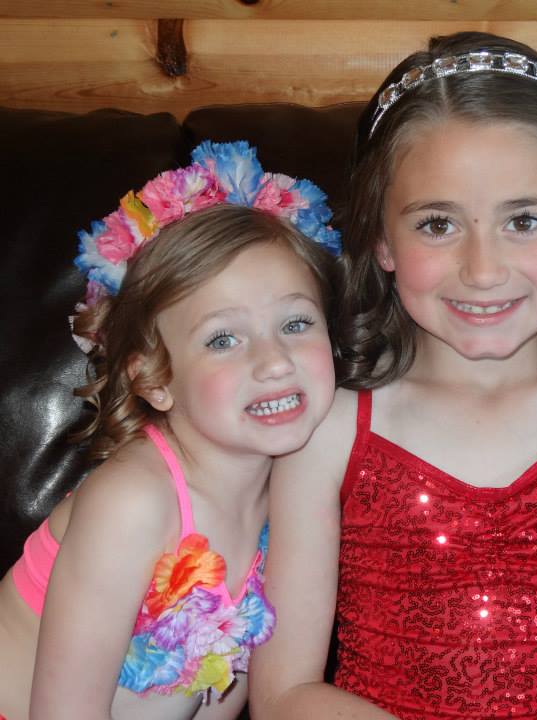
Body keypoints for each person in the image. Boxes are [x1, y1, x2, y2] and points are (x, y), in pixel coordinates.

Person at [250, 31, 537, 720]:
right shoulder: (330, 425)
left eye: (523, 220)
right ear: (382, 241)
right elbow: (284, 691)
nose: (483, 270)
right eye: (438, 225)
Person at [0, 141, 341, 720]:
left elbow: (221, 689)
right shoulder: (132, 503)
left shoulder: (294, 492)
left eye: (295, 323)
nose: (275, 362)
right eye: (223, 339)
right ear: (155, 380)